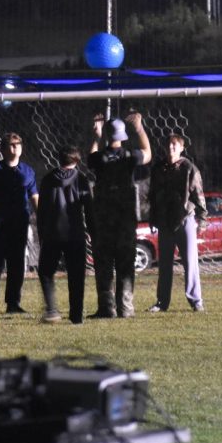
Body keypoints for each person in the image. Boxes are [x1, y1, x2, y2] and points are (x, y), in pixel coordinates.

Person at [87, 111, 152, 318]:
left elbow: (90, 157)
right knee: (125, 264)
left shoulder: (99, 159)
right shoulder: (130, 157)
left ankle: (107, 308)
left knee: (104, 264)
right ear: (123, 136)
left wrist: (96, 137)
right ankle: (126, 307)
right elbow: (148, 152)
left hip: (104, 220)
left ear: (107, 135)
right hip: (125, 219)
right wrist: (139, 128)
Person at [147, 133, 207, 313]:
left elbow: (198, 194)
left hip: (184, 219)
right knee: (164, 264)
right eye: (168, 145)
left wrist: (202, 220)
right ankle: (162, 302)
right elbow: (153, 195)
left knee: (190, 262)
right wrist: (152, 216)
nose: (171, 148)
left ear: (181, 148)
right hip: (165, 222)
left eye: (175, 145)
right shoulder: (158, 168)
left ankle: (196, 300)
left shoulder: (189, 168)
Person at [0, 132, 39, 315]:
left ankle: (13, 303)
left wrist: (42, 216)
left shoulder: (28, 171)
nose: (15, 148)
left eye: (18, 144)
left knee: (17, 263)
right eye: (11, 145)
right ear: (3, 149)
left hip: (20, 223)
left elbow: (34, 196)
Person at [35, 145, 94, 324]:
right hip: (75, 234)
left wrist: (41, 233)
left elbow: (41, 211)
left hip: (52, 234)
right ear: (77, 160)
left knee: (46, 272)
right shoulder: (81, 179)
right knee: (76, 276)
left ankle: (52, 310)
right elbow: (89, 208)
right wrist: (92, 231)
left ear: (59, 159)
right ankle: (76, 316)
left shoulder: (47, 180)